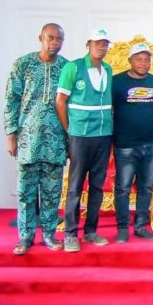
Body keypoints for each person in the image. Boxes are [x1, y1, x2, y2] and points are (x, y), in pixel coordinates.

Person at [4, 23, 68, 255]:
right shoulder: (23, 64)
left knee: (52, 192)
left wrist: (70, 139)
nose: (54, 42)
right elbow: (11, 100)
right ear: (40, 37)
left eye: (59, 39)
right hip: (28, 140)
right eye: (50, 38)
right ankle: (25, 237)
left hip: (56, 142)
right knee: (25, 192)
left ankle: (50, 234)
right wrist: (11, 134)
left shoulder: (66, 67)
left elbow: (71, 105)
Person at [56, 27, 114, 252]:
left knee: (98, 185)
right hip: (80, 136)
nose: (101, 47)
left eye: (105, 44)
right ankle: (70, 234)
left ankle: (91, 231)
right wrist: (69, 130)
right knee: (75, 185)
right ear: (88, 44)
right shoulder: (74, 67)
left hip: (102, 136)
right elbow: (60, 101)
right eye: (97, 43)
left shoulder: (107, 69)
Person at [111, 42, 153, 243]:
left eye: (147, 59)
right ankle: (122, 228)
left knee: (146, 187)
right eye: (139, 59)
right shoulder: (117, 82)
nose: (143, 63)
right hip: (125, 144)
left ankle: (141, 226)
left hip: (151, 144)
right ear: (130, 61)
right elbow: (110, 110)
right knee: (123, 188)